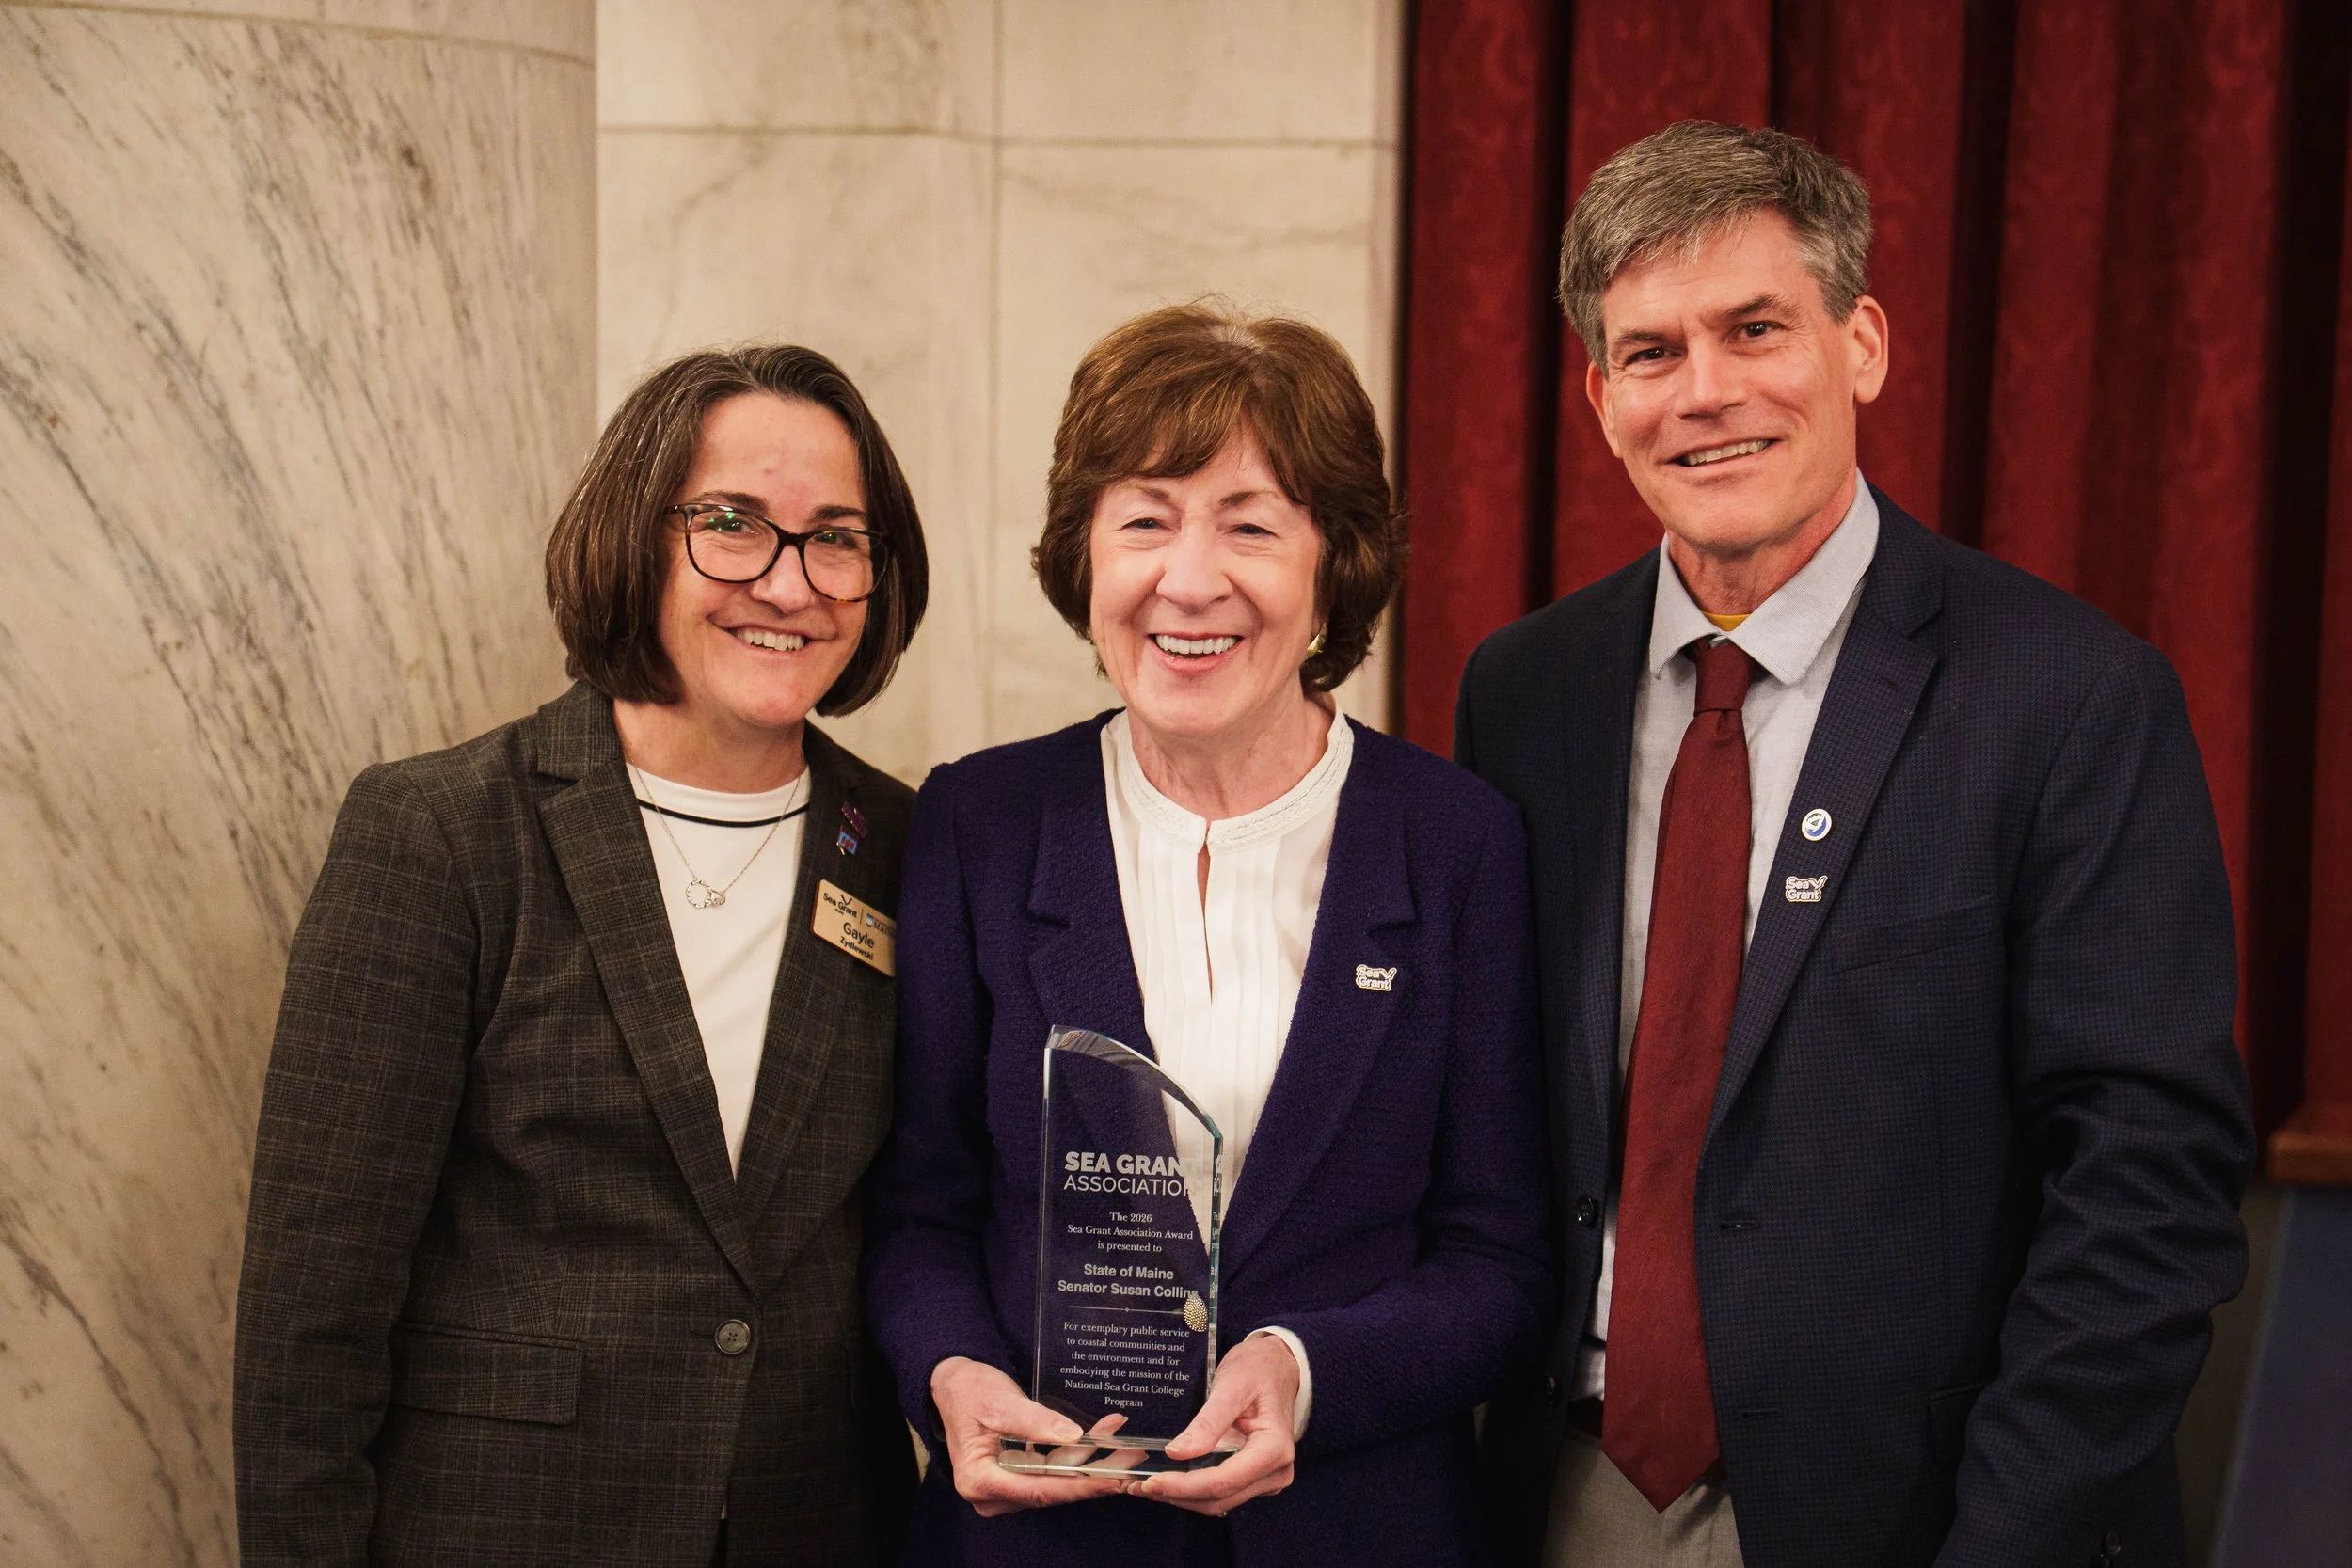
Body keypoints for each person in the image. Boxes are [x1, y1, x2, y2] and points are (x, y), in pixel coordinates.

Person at [1458, 121, 2256, 1568]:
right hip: (1561, 1496)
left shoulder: (2071, 696)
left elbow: (2146, 1188)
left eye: (1755, 328)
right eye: (1650, 352)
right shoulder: (1520, 693)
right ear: (1598, 397)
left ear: (1863, 342)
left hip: (1933, 1511)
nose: (1705, 393)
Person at [865, 301, 1554, 1566]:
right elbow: (921, 1209)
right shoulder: (982, 820)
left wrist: (1307, 1369)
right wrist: (950, 1371)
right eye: (1143, 519)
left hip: (1357, 1531)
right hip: (1042, 1542)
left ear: (1334, 562)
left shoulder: (1456, 840)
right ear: (1085, 555)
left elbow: (1500, 1257)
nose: (1188, 579)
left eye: (1249, 524)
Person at [234, 345, 928, 1567]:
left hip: (814, 1525)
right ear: (634, 534)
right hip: (506, 1525)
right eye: (732, 523)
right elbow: (314, 1310)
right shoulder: (443, 832)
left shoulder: (908, 847)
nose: (789, 580)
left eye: (836, 537)